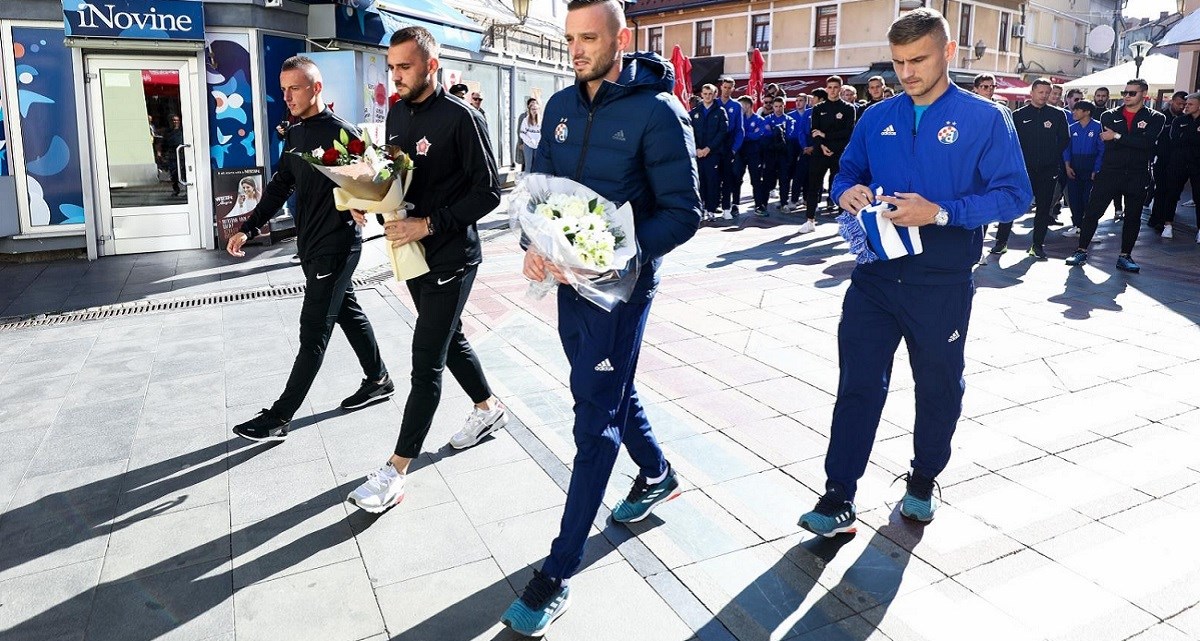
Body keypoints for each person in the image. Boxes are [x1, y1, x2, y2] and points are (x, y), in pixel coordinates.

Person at [500, 0, 701, 635]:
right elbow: (539, 194)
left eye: (589, 37)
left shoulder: (658, 111)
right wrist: (536, 248)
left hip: (622, 291)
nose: (577, 49)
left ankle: (556, 572)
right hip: (568, 288)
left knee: (595, 417)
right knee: (609, 388)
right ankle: (659, 472)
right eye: (570, 38)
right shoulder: (558, 108)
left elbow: (684, 212)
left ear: (622, 37)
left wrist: (611, 254)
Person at [797, 8, 1031, 536]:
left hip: (941, 283)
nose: (907, 72)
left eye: (918, 60)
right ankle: (838, 495)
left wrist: (942, 212)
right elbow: (849, 170)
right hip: (875, 278)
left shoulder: (986, 118)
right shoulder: (877, 116)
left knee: (939, 385)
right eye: (899, 62)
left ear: (948, 53)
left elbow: (1016, 195)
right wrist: (845, 191)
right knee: (857, 383)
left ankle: (924, 478)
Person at [344, 26, 508, 513]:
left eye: (405, 67)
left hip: (453, 256)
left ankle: (395, 471)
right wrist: (366, 202)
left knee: (426, 358)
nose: (395, 75)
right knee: (448, 336)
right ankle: (488, 409)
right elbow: (397, 177)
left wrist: (430, 224)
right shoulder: (395, 112)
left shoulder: (463, 118)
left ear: (430, 66)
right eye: (391, 67)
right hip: (412, 253)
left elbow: (489, 192)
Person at [226, 56, 391, 442]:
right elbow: (282, 184)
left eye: (294, 88)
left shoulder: (343, 134)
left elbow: (378, 185)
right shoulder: (296, 133)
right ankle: (378, 379)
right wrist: (248, 227)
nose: (287, 96)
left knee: (313, 330)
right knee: (347, 311)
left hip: (337, 247)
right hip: (311, 244)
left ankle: (280, 416)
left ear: (316, 88)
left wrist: (363, 201)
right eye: (283, 89)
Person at [1065, 79, 1166, 273]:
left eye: (1132, 93)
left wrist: (1119, 136)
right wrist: (1130, 140)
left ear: (1143, 94)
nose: (1127, 96)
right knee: (1093, 212)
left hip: (1137, 174)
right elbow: (1111, 143)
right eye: (1124, 93)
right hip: (1110, 172)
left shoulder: (1156, 117)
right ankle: (1081, 250)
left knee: (1133, 216)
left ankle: (1125, 256)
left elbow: (1146, 144)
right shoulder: (1109, 115)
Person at [991, 78, 1069, 259]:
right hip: (1021, 170)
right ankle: (1001, 242)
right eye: (1040, 92)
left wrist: (1052, 156)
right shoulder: (1018, 115)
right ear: (1032, 93)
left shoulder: (1057, 115)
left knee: (1043, 208)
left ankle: (1037, 245)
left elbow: (1064, 139)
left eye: (1047, 93)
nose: (1044, 96)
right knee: (1011, 203)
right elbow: (1010, 141)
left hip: (1047, 170)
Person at [803, 75, 856, 232]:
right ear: (826, 89)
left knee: (841, 186)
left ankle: (842, 222)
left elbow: (847, 132)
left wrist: (826, 136)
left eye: (836, 87)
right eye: (830, 87)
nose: (833, 91)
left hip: (839, 152)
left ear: (840, 89)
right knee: (813, 185)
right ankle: (810, 220)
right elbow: (814, 131)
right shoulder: (818, 108)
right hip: (820, 152)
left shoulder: (848, 108)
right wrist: (821, 145)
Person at [1148, 92, 1200, 240]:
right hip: (1176, 163)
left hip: (1196, 164)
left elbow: (1185, 140)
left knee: (1198, 196)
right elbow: (1175, 140)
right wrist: (1194, 136)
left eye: (1190, 104)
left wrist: (1188, 137)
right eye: (1184, 104)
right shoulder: (1178, 121)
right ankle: (1166, 224)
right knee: (1170, 193)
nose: (1185, 106)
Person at [1061, 100, 1103, 237]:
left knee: (1088, 199)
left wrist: (1096, 169)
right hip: (1074, 165)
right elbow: (1066, 148)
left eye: (1077, 110)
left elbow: (1101, 150)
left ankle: (1090, 228)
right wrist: (1067, 166)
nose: (1073, 112)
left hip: (1090, 165)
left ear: (1087, 112)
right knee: (1074, 198)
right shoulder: (1072, 128)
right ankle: (1077, 225)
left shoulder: (1098, 127)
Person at [690, 83, 729, 220]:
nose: (707, 96)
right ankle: (700, 210)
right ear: (701, 94)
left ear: (714, 95)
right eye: (705, 93)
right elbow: (690, 133)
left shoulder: (720, 111)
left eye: (710, 93)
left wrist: (709, 148)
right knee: (699, 182)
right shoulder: (694, 112)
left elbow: (722, 132)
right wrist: (697, 149)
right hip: (698, 154)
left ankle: (711, 210)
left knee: (713, 182)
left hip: (713, 154)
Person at [734, 95, 770, 216]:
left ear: (748, 105)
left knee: (756, 180)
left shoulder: (760, 120)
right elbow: (737, 134)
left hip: (754, 154)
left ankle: (759, 205)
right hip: (740, 153)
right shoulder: (739, 120)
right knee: (736, 179)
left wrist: (744, 134)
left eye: (741, 106)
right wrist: (748, 134)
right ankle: (735, 205)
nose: (738, 108)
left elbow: (758, 135)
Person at [716, 75, 746, 217]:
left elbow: (740, 130)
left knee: (729, 177)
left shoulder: (736, 106)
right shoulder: (714, 103)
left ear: (733, 89)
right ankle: (712, 205)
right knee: (713, 177)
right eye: (725, 87)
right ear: (721, 87)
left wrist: (734, 148)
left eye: (730, 88)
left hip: (730, 145)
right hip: (715, 146)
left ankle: (727, 207)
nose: (727, 90)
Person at [762, 96, 795, 214]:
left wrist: (774, 130)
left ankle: (784, 203)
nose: (778, 109)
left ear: (784, 106)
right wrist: (778, 130)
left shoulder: (789, 119)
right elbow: (765, 133)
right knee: (767, 179)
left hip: (783, 154)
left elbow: (789, 134)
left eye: (780, 106)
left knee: (784, 179)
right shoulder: (767, 118)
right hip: (770, 153)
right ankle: (762, 204)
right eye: (776, 106)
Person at [518, 97, 542, 172]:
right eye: (532, 109)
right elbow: (522, 133)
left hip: (538, 145)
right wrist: (529, 140)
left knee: (537, 165)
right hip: (528, 145)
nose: (534, 111)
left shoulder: (541, 120)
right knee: (528, 165)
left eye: (536, 109)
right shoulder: (525, 120)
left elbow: (543, 133)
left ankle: (536, 182)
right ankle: (527, 181)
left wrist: (539, 141)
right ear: (529, 110)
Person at [164, 115, 185, 197]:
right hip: (172, 154)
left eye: (177, 120)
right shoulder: (168, 132)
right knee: (173, 173)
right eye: (173, 120)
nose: (175, 122)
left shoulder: (183, 131)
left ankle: (187, 191)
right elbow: (164, 143)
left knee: (184, 172)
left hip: (182, 154)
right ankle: (176, 190)